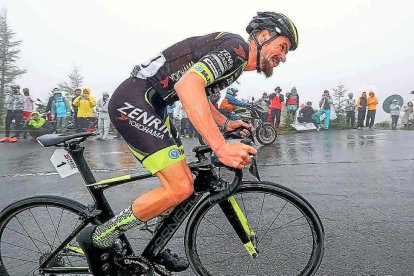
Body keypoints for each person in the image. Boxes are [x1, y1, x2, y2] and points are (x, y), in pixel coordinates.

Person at [77, 11, 298, 275]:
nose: (283, 57)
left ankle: (154, 247)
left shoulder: (235, 63)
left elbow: (199, 94)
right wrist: (221, 146)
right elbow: (187, 87)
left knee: (184, 184)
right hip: (135, 101)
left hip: (154, 104)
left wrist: (225, 124)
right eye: (282, 47)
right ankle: (100, 237)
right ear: (264, 36)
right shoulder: (236, 48)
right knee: (179, 186)